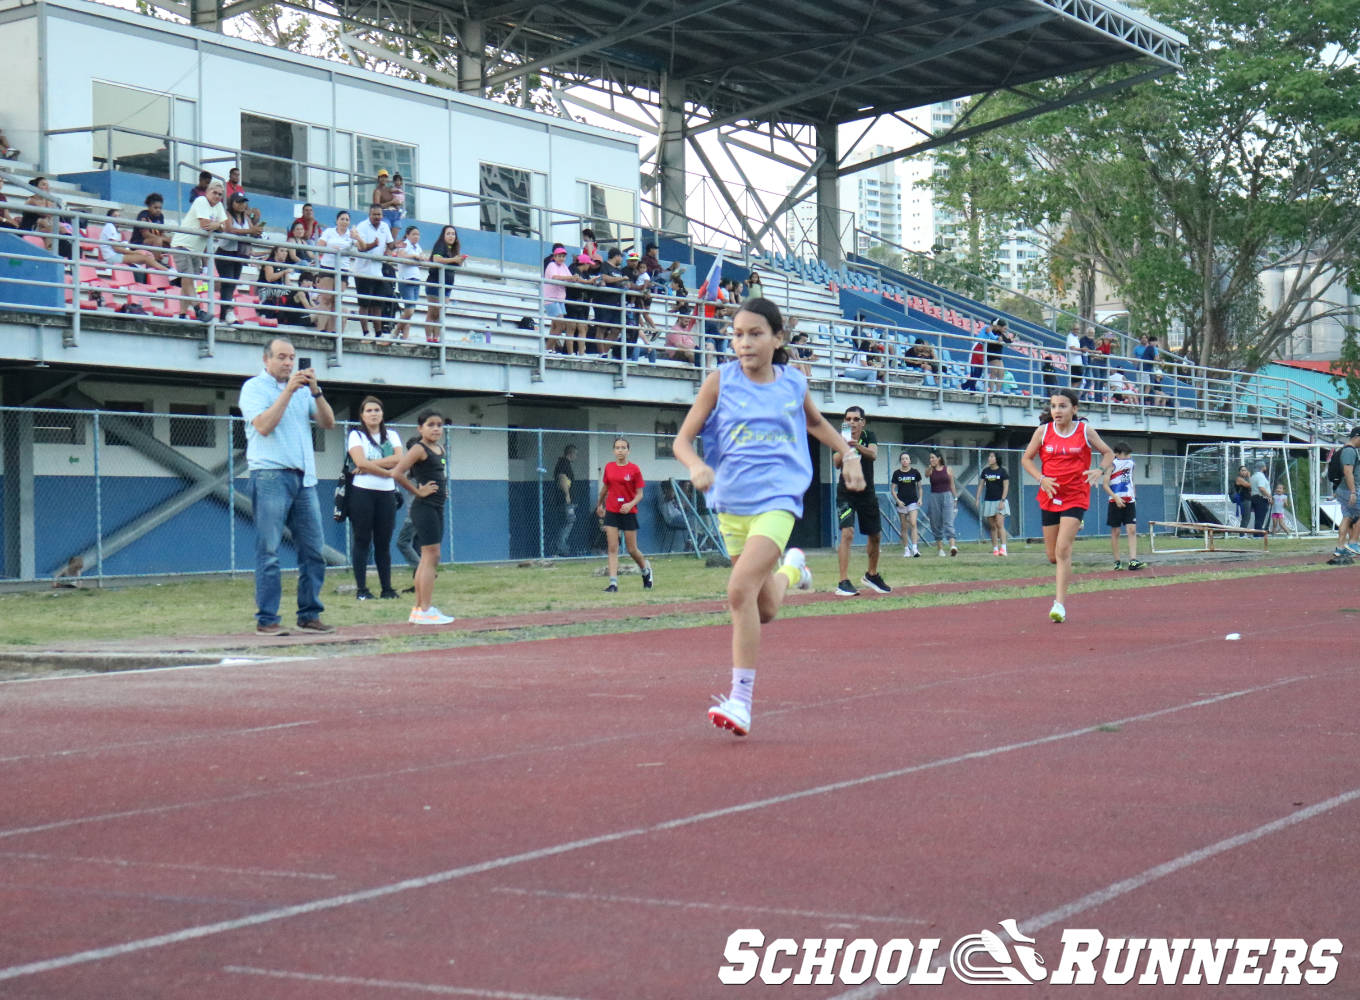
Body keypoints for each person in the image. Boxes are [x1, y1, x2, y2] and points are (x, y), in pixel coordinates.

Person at [672, 296, 863, 737]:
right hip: (730, 508)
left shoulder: (793, 383)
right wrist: (696, 466)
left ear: (778, 338)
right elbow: (683, 440)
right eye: (738, 334)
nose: (745, 343)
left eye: (755, 334)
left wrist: (848, 453)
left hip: (778, 501)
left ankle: (740, 702)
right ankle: (793, 571)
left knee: (738, 591)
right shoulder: (719, 381)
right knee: (767, 607)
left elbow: (815, 423)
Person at [238, 339, 336, 636]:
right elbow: (264, 426)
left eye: (292, 358)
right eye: (281, 357)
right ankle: (267, 619)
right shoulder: (254, 388)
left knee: (314, 550)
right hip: (270, 475)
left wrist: (315, 391)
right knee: (269, 549)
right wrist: (288, 392)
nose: (288, 363)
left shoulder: (303, 390)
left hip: (304, 479)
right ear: (266, 359)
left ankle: (309, 614)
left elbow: (328, 423)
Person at [1021, 387, 1115, 623]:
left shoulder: (1084, 431)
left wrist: (1100, 470)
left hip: (1075, 495)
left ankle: (1059, 605)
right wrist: (1041, 479)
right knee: (1053, 556)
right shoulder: (1043, 432)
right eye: (1053, 406)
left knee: (1063, 550)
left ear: (1074, 409)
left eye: (1062, 406)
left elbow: (1108, 453)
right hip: (1050, 495)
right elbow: (1026, 458)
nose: (1057, 411)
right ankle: (1071, 528)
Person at [391, 410, 454, 624]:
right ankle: (425, 609)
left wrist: (443, 489)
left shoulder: (440, 448)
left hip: (437, 506)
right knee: (431, 555)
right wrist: (418, 491)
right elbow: (397, 473)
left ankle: (419, 609)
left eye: (439, 424)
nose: (436, 428)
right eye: (430, 424)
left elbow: (439, 474)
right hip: (424, 506)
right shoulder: (419, 448)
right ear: (420, 429)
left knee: (430, 556)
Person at [346, 396, 403, 600]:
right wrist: (387, 471)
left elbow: (399, 459)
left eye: (377, 410)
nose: (373, 414)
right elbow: (359, 461)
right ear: (362, 415)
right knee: (362, 540)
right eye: (369, 410)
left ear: (382, 413)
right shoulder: (356, 435)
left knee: (383, 542)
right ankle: (362, 589)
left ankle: (386, 588)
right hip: (362, 493)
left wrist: (370, 465)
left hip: (386, 494)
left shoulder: (392, 436)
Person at [833, 406, 890, 596]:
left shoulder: (869, 435)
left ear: (862, 422)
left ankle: (871, 575)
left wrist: (856, 445)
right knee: (847, 533)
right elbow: (836, 462)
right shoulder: (840, 438)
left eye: (856, 419)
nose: (851, 422)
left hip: (867, 492)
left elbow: (873, 455)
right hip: (846, 493)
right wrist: (845, 446)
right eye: (848, 419)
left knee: (875, 535)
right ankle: (843, 581)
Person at [595, 437, 653, 592]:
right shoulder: (609, 467)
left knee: (632, 549)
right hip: (612, 511)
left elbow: (640, 494)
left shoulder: (634, 469)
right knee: (612, 547)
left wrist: (630, 504)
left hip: (628, 512)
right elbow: (605, 488)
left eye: (623, 447)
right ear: (614, 450)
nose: (620, 450)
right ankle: (613, 584)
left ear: (628, 450)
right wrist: (599, 504)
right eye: (617, 447)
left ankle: (646, 570)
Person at [168, 178, 227, 323]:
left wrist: (217, 225)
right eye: (215, 193)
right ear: (207, 192)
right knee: (187, 277)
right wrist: (217, 225)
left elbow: (225, 226)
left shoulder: (218, 205)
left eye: (220, 194)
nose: (217, 197)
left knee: (187, 281)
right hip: (182, 244)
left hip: (196, 249)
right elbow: (205, 225)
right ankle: (198, 310)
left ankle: (182, 314)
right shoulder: (201, 201)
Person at [215, 192, 263, 323]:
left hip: (239, 254)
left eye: (244, 202)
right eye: (239, 202)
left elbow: (250, 231)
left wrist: (256, 232)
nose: (242, 205)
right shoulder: (226, 214)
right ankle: (228, 312)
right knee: (228, 283)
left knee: (231, 284)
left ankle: (223, 317)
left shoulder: (246, 218)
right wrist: (250, 231)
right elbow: (230, 229)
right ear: (232, 203)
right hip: (225, 253)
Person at [351, 203, 396, 337]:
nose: (377, 217)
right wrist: (374, 245)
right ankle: (365, 332)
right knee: (364, 304)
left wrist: (392, 248)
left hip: (378, 271)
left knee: (378, 304)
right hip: (363, 271)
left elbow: (390, 244)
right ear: (370, 214)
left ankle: (378, 332)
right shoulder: (362, 226)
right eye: (375, 214)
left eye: (379, 214)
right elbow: (361, 248)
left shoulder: (385, 226)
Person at [314, 210, 355, 335]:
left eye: (347, 219)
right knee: (325, 298)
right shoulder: (329, 232)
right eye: (342, 219)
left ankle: (331, 331)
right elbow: (320, 244)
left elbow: (359, 248)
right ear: (337, 221)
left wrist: (356, 237)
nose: (344, 221)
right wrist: (332, 249)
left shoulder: (351, 235)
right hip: (328, 266)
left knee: (336, 301)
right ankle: (321, 330)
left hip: (342, 269)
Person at [1105, 441, 1144, 570]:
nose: (1128, 457)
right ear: (1117, 454)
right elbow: (1105, 485)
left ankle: (1133, 560)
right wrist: (1115, 497)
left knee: (1131, 529)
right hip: (1115, 501)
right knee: (1115, 531)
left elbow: (1132, 480)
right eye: (1125, 454)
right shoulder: (1112, 464)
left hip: (1129, 500)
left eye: (1129, 454)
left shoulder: (1131, 464)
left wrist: (1134, 496)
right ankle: (1117, 561)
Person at [425, 225, 467, 344]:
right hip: (435, 282)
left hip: (447, 284)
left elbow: (452, 265)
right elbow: (436, 259)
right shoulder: (440, 245)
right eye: (448, 233)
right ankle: (429, 338)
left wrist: (459, 261)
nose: (451, 236)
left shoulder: (453, 249)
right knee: (433, 312)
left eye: (453, 234)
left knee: (441, 313)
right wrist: (453, 260)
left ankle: (436, 339)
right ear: (443, 235)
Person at [96, 209, 168, 272]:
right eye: (115, 216)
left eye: (119, 216)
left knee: (144, 256)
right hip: (112, 258)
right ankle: (168, 272)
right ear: (109, 218)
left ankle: (161, 272)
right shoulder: (110, 226)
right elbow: (116, 248)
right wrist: (133, 253)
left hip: (115, 256)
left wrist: (134, 252)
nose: (118, 218)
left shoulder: (112, 229)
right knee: (146, 258)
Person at [1329, 428, 1360, 561]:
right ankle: (1353, 543)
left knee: (1347, 517)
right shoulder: (1349, 451)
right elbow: (1348, 472)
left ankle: (1340, 548)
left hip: (1342, 489)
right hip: (1349, 489)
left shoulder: (1345, 450)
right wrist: (1353, 491)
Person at [391, 225, 425, 340]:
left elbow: (422, 258)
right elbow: (401, 255)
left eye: (418, 234)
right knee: (409, 310)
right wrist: (414, 256)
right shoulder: (405, 244)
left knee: (410, 311)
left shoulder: (417, 247)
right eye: (414, 234)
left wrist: (419, 257)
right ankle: (395, 332)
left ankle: (405, 337)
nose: (417, 237)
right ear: (407, 235)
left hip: (416, 279)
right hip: (406, 279)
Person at [976, 451, 1010, 557]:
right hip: (988, 501)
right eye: (989, 456)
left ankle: (1003, 548)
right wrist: (977, 498)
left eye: (992, 456)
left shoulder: (1003, 471)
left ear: (996, 459)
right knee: (992, 526)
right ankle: (995, 548)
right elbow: (981, 485)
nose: (989, 458)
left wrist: (1002, 500)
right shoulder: (985, 471)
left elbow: (1006, 487)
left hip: (999, 501)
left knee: (1000, 524)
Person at [924, 450, 958, 557]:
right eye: (930, 458)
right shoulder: (931, 470)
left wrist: (955, 498)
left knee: (948, 521)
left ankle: (953, 546)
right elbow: (926, 474)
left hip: (947, 496)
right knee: (935, 523)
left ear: (939, 458)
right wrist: (931, 466)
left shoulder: (948, 469)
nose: (931, 459)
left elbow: (952, 485)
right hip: (934, 496)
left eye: (933, 457)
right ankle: (940, 549)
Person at [891, 451, 923, 558]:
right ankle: (906, 550)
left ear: (910, 460)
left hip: (913, 501)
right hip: (902, 502)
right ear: (900, 461)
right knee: (904, 526)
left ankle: (915, 548)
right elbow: (893, 489)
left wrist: (920, 498)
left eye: (906, 458)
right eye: (903, 459)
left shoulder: (915, 472)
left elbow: (920, 487)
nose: (905, 460)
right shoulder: (897, 473)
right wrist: (898, 501)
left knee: (913, 523)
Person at [542, 244, 572, 351]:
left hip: (560, 299)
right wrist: (570, 278)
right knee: (560, 325)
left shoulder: (564, 266)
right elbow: (555, 277)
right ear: (554, 257)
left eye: (563, 256)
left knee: (556, 326)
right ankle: (547, 348)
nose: (561, 258)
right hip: (551, 298)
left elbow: (569, 278)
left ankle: (550, 349)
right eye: (559, 256)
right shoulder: (551, 265)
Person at [553, 444, 579, 557]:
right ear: (571, 453)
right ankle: (561, 547)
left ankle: (561, 546)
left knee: (567, 522)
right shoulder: (563, 463)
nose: (576, 457)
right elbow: (562, 478)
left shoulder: (565, 463)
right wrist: (567, 495)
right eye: (575, 454)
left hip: (565, 500)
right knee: (569, 520)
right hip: (565, 500)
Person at [985, 318, 1015, 392]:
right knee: (994, 372)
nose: (1005, 330)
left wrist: (1012, 338)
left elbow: (1008, 341)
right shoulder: (993, 331)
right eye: (1004, 328)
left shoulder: (1001, 334)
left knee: (1001, 373)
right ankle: (991, 391)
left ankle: (998, 391)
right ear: (999, 326)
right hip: (992, 354)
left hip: (998, 355)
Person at [1249, 460, 1272, 532]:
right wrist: (1269, 496)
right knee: (1261, 517)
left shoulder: (1253, 476)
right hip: (1261, 498)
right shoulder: (1261, 476)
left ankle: (1257, 532)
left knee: (1257, 517)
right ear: (1263, 467)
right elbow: (1261, 488)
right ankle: (1258, 533)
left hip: (1254, 497)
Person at [1231, 463, 1253, 531]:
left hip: (1248, 499)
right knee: (1246, 517)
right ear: (1239, 472)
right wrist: (1249, 477)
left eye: (1245, 470)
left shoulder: (1245, 479)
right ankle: (1242, 534)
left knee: (1246, 517)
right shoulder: (1239, 479)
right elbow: (1249, 485)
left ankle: (1243, 532)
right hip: (1244, 499)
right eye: (1242, 470)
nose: (1244, 472)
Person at [1066, 323, 1086, 393]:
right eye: (1075, 329)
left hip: (1077, 362)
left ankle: (1070, 394)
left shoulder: (1075, 338)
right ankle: (1069, 394)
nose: (1077, 331)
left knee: (1076, 381)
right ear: (1072, 330)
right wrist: (1081, 349)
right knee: (1078, 380)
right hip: (1074, 363)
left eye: (1078, 329)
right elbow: (1072, 347)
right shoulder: (1070, 337)